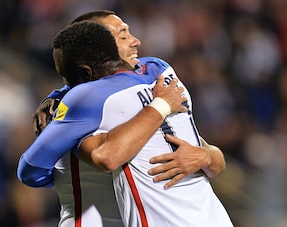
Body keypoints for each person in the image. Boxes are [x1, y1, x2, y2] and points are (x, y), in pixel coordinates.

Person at [18, 21, 232, 226]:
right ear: (108, 45)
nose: (135, 41)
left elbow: (31, 170)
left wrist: (205, 155)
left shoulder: (95, 98)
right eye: (122, 36)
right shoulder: (162, 75)